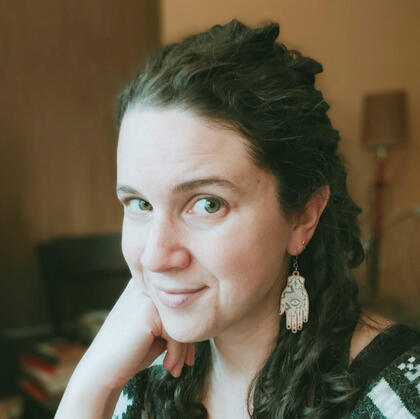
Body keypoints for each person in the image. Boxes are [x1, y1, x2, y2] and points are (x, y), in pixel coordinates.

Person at [55, 20, 420, 418]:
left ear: (303, 216)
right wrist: (90, 383)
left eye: (208, 204)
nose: (155, 257)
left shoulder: (399, 399)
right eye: (140, 204)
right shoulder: (140, 378)